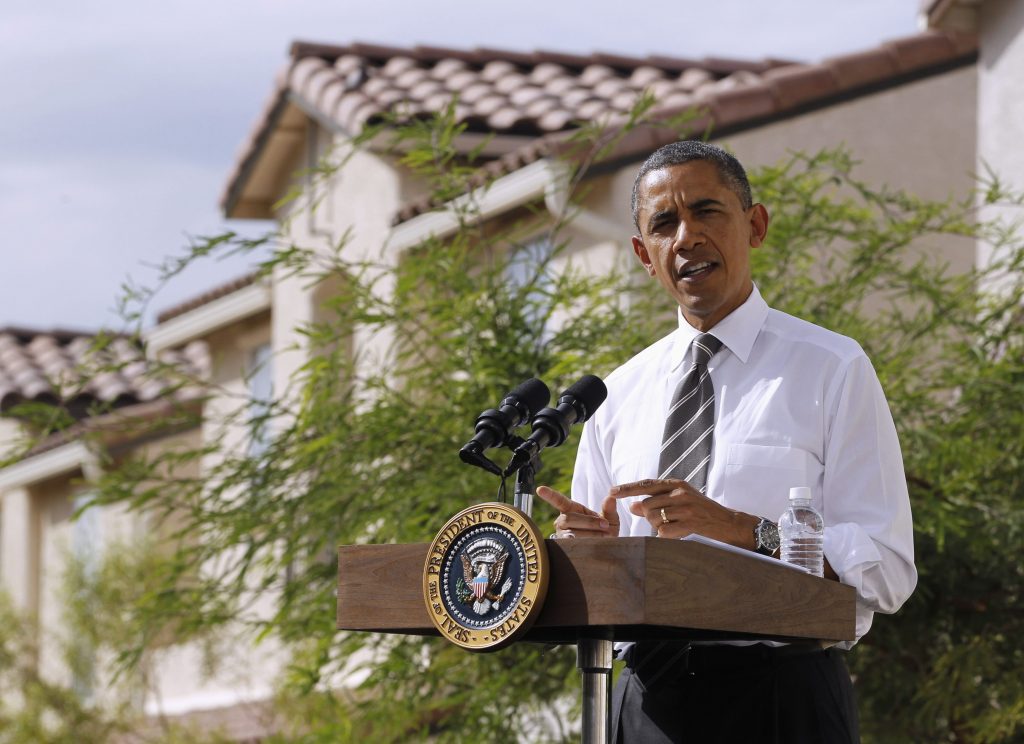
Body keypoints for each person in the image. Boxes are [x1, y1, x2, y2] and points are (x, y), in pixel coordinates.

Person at [536, 140, 916, 743]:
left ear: (755, 225)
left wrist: (743, 529)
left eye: (706, 211)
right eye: (664, 223)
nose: (686, 237)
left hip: (781, 697)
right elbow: (593, 585)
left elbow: (886, 571)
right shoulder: (615, 396)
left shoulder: (832, 368)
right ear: (644, 254)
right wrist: (593, 554)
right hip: (647, 704)